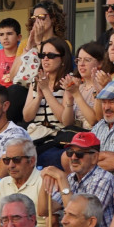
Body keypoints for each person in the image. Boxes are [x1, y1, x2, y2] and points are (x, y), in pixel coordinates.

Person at [41, 132, 114, 227]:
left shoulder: (104, 179)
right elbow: (44, 211)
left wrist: (62, 179)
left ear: (94, 158)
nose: (73, 157)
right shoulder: (71, 178)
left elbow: (82, 219)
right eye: (70, 152)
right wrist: (45, 180)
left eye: (80, 154)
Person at [22, 37, 72, 168]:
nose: (45, 59)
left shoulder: (67, 82)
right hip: (35, 137)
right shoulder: (36, 80)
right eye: (42, 55)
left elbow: (64, 119)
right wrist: (38, 96)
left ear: (62, 59)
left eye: (50, 55)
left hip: (56, 138)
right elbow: (27, 116)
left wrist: (46, 91)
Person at [0, 138, 50, 227]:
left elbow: (51, 224)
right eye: (7, 160)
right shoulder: (3, 183)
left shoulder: (45, 181)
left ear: (31, 161)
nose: (11, 165)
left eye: (16, 160)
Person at [62, 42, 110, 131]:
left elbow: (93, 121)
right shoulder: (77, 86)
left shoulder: (102, 87)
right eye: (79, 60)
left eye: (87, 60)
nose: (81, 64)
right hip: (73, 136)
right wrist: (70, 99)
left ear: (100, 63)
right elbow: (66, 123)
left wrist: (76, 94)